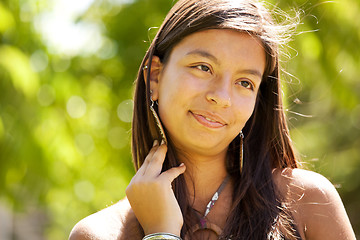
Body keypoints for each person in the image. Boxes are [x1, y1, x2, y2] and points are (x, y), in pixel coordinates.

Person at [69, 0, 356, 239]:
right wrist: (160, 233)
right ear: (155, 76)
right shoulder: (101, 233)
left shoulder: (308, 203)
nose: (222, 97)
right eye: (203, 67)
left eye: (245, 83)